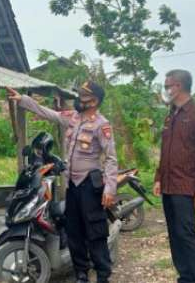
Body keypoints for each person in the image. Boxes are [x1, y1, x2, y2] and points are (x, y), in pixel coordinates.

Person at [7, 82, 117, 283]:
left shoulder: (102, 125)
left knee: (95, 232)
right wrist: (23, 100)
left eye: (84, 96)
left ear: (94, 101)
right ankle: (81, 274)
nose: (79, 99)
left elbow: (111, 159)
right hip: (72, 187)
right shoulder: (73, 118)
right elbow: (47, 113)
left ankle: (103, 275)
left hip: (90, 187)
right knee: (73, 231)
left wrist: (109, 189)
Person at [153, 69, 195, 283]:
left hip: (186, 186)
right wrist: (158, 178)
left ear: (178, 86)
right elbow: (165, 150)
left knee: (186, 234)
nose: (166, 89)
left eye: (167, 85)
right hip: (169, 185)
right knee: (175, 235)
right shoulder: (171, 115)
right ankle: (186, 276)